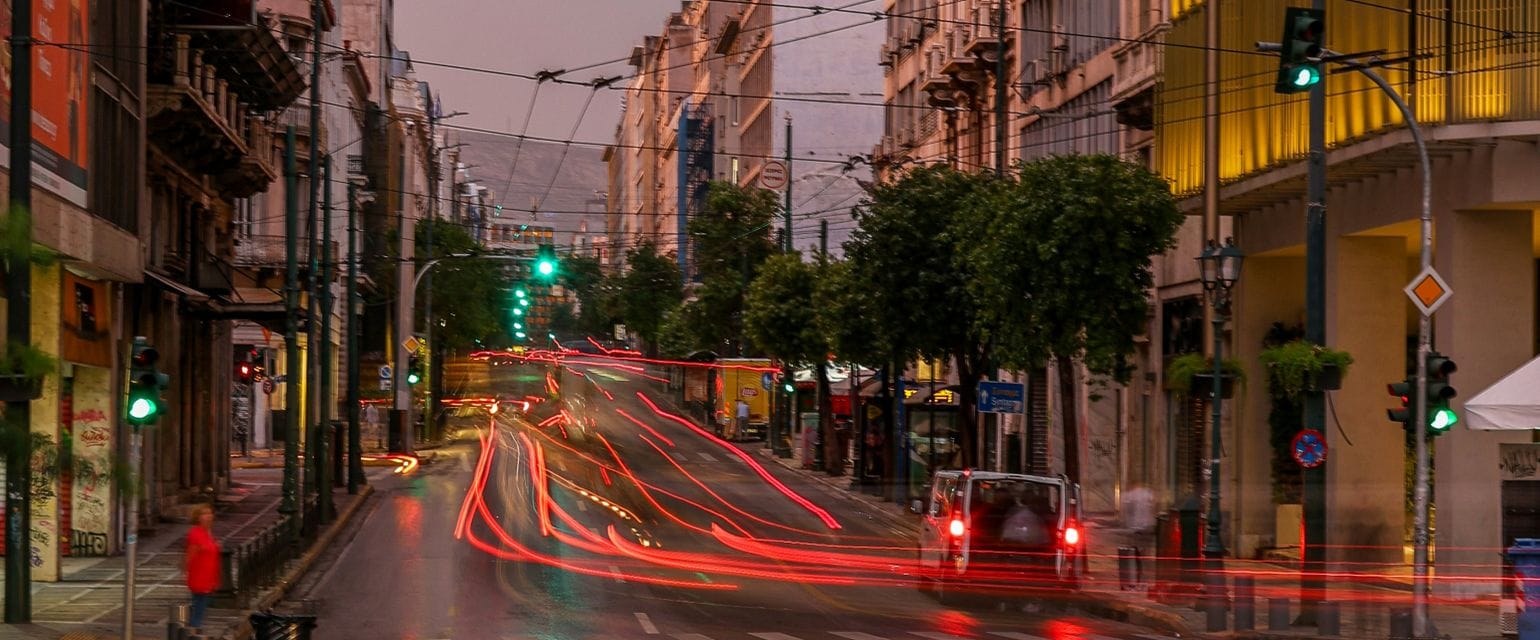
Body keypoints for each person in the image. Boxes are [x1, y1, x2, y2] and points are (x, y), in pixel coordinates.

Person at [184, 504, 221, 630]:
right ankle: (193, 629)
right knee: (199, 603)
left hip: (209, 575)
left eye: (210, 513)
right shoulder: (196, 534)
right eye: (204, 514)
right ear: (198, 517)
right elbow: (190, 556)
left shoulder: (208, 533)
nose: (209, 516)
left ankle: (193, 627)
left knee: (200, 604)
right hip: (200, 575)